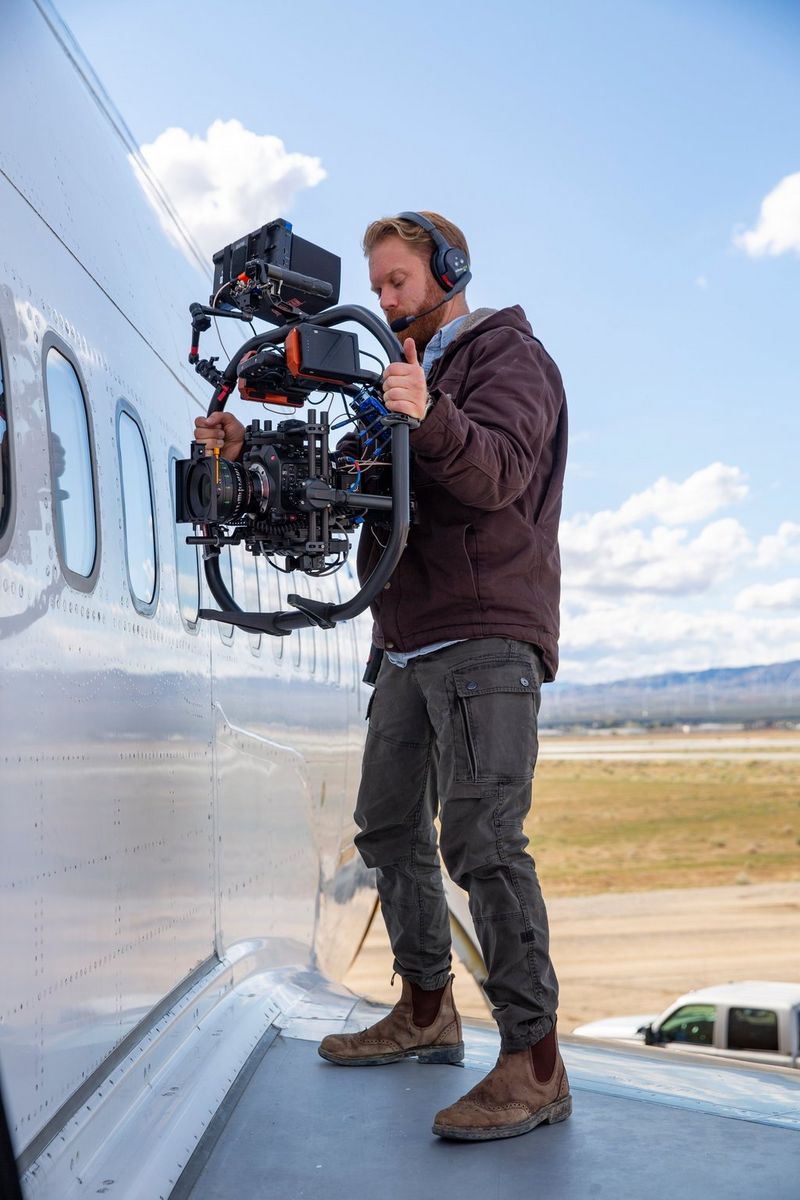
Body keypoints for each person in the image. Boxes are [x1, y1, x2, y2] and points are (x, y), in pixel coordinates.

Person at [194, 211, 570, 1142]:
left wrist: (428, 412)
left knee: (482, 839)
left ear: (449, 272)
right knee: (389, 824)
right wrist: (253, 462)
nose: (385, 300)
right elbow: (362, 477)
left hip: (484, 632)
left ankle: (537, 1063)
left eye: (398, 281)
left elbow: (497, 474)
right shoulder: (411, 377)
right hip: (406, 636)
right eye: (379, 283)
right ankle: (428, 1011)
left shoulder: (509, 359)